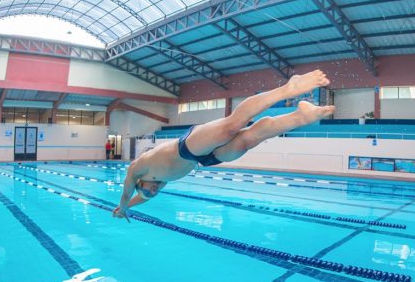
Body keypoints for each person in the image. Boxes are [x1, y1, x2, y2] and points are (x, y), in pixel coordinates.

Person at [113, 70, 334, 221]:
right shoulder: (158, 184)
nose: (152, 191)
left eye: (146, 191)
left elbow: (125, 195)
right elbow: (137, 199)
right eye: (152, 194)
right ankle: (300, 117)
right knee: (247, 141)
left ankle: (288, 88)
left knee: (232, 126)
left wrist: (122, 208)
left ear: (139, 183)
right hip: (203, 160)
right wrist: (129, 209)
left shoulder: (138, 168)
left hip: (187, 146)